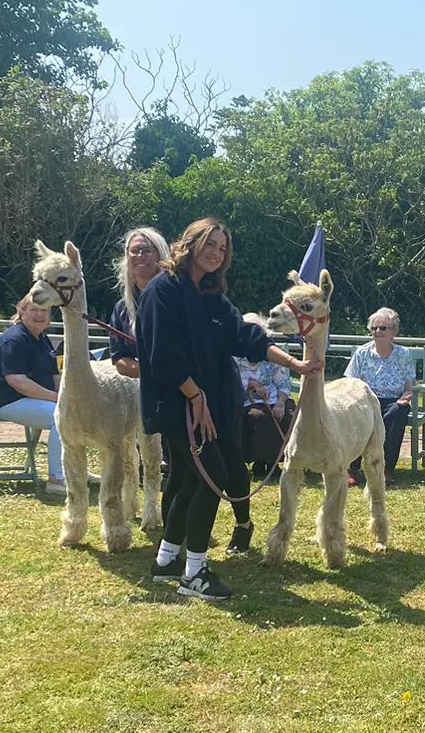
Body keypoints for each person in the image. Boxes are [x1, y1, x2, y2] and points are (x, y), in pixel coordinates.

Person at [136, 217, 317, 600]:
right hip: (180, 406)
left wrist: (295, 365)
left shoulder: (213, 295)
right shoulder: (162, 291)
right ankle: (195, 574)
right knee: (211, 476)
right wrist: (195, 396)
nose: (217, 253)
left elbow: (246, 337)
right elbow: (163, 354)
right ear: (191, 242)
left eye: (223, 247)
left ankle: (167, 560)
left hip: (212, 404)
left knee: (188, 480)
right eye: (211, 244)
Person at [0, 294, 66, 496]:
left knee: (74, 412)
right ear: (22, 312)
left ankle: (72, 470)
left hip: (33, 400)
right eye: (34, 309)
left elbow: (55, 375)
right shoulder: (15, 339)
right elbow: (16, 381)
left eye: (44, 310)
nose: (40, 314)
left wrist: (65, 396)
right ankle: (57, 479)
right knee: (62, 416)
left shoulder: (42, 338)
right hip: (7, 401)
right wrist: (57, 399)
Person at [344, 306, 415, 485]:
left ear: (393, 332)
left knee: (397, 413)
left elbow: (409, 387)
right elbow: (350, 382)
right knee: (356, 413)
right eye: (374, 328)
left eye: (383, 328)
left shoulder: (403, 354)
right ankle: (352, 468)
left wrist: (406, 397)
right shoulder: (362, 353)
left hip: (394, 401)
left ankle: (385, 469)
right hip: (366, 399)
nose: (377, 331)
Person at [237, 312, 295, 482]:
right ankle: (264, 462)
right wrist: (249, 388)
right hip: (247, 401)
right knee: (260, 417)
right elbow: (230, 386)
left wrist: (281, 403)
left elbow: (284, 382)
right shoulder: (234, 358)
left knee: (293, 417)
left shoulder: (273, 355)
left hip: (276, 398)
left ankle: (294, 460)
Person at [108, 227, 168, 379]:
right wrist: (150, 372)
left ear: (159, 255)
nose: (140, 255)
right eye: (135, 250)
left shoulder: (175, 298)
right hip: (149, 392)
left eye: (147, 250)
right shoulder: (121, 309)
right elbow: (119, 358)